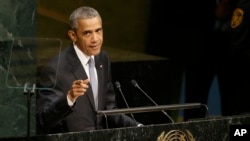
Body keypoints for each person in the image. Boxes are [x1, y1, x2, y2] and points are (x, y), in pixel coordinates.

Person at [36, 6, 142, 134]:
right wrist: (69, 99)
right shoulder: (54, 69)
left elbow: (109, 109)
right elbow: (43, 120)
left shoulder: (102, 59)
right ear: (73, 35)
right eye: (87, 33)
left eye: (98, 31)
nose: (96, 39)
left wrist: (138, 127)